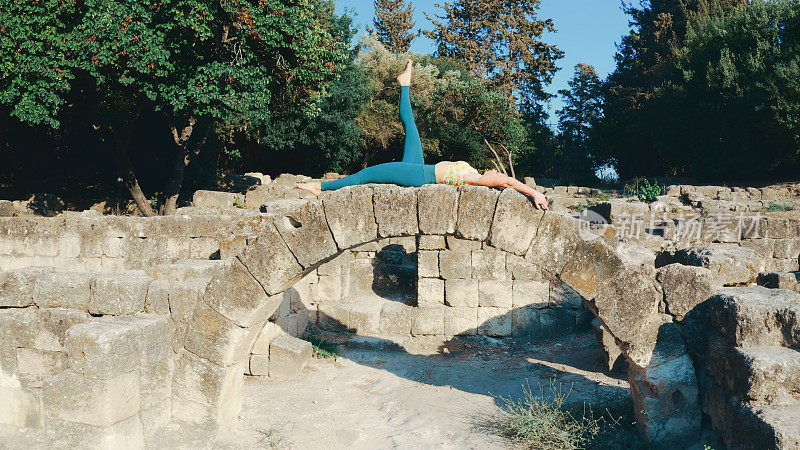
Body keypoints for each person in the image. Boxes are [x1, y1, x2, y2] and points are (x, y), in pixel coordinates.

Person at [298, 60, 549, 210]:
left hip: (418, 176)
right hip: (419, 167)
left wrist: (534, 192)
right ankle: (404, 83)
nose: (497, 172)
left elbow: (506, 182)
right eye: (497, 172)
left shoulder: (479, 180)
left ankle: (321, 187)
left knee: (367, 175)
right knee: (412, 127)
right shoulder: (474, 172)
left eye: (497, 174)